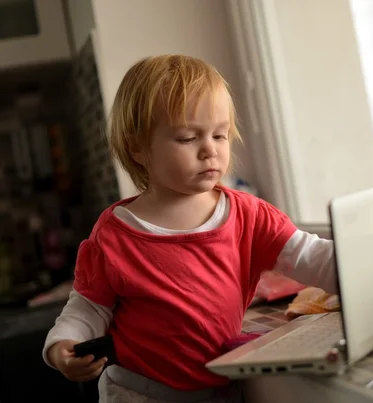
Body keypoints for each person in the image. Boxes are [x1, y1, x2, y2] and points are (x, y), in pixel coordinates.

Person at [43, 55, 337, 403]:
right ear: (138, 147)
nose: (209, 150)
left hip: (220, 388)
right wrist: (61, 346)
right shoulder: (114, 235)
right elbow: (87, 308)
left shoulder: (250, 215)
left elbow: (312, 256)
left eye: (220, 135)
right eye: (187, 138)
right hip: (138, 392)